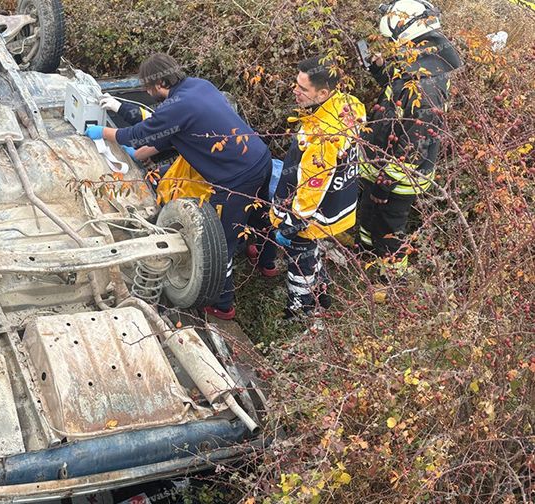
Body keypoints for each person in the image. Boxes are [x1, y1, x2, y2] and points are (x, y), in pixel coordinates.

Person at [88, 53, 272, 320]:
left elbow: (140, 134)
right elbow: (169, 132)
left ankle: (223, 305)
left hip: (234, 179)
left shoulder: (176, 107)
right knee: (261, 215)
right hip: (259, 157)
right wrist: (119, 108)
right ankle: (265, 260)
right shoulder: (200, 85)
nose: (148, 93)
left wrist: (102, 133)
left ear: (160, 83)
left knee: (221, 244)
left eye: (149, 89)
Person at [359, 0, 461, 277]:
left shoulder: (428, 80)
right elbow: (398, 92)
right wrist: (380, 69)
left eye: (393, 40)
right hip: (382, 160)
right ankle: (367, 257)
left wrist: (386, 182)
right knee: (369, 215)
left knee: (389, 228)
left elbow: (416, 142)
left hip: (400, 174)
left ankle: (389, 279)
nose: (393, 46)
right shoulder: (421, 59)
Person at [270, 56, 366, 319]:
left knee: (300, 259)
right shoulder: (349, 105)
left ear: (323, 92)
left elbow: (313, 185)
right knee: (315, 251)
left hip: (312, 215)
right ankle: (322, 292)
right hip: (339, 203)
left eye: (303, 88)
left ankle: (301, 309)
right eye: (296, 84)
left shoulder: (321, 137)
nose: (295, 91)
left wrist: (293, 220)